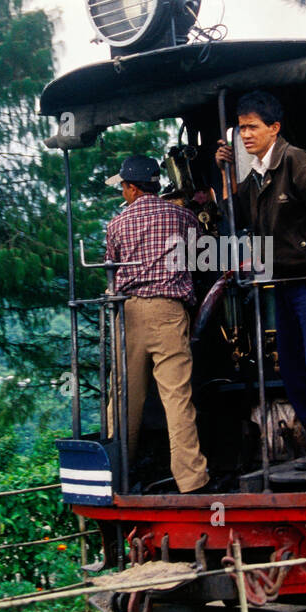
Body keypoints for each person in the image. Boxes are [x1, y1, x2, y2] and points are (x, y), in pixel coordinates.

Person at [215, 91, 306, 481]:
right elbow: (239, 217)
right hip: (283, 284)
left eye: (252, 127)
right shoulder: (257, 174)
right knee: (292, 370)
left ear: (274, 128)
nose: (245, 135)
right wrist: (227, 178)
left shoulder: (297, 162)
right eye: (241, 129)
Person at [104, 155, 210, 493]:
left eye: (123, 186)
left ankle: (115, 474)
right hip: (168, 311)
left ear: (133, 188)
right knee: (177, 397)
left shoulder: (116, 224)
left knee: (123, 397)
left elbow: (111, 271)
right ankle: (192, 480)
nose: (123, 192)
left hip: (129, 313)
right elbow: (200, 258)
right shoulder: (183, 216)